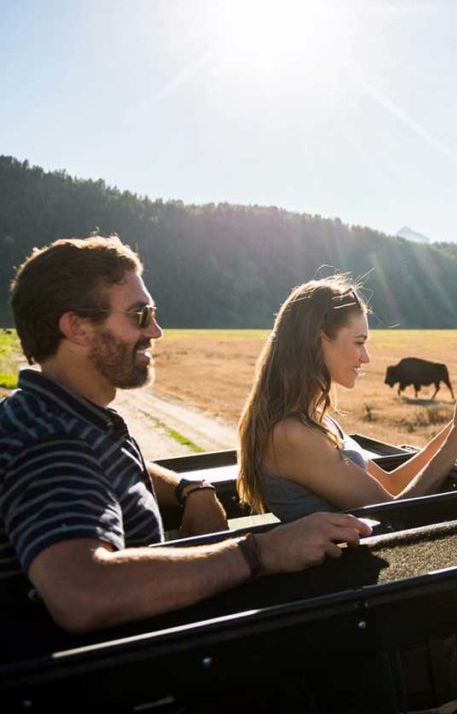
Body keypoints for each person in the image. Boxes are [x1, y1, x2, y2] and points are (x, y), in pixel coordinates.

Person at [0, 236, 372, 633]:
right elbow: (83, 594)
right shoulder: (49, 437)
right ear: (77, 327)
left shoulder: (67, 418)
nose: (156, 331)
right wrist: (262, 551)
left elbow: (108, 469)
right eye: (139, 315)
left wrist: (187, 488)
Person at [236, 275, 457, 521]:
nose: (366, 358)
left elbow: (391, 484)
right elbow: (396, 514)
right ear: (319, 340)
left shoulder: (316, 419)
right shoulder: (292, 434)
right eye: (359, 342)